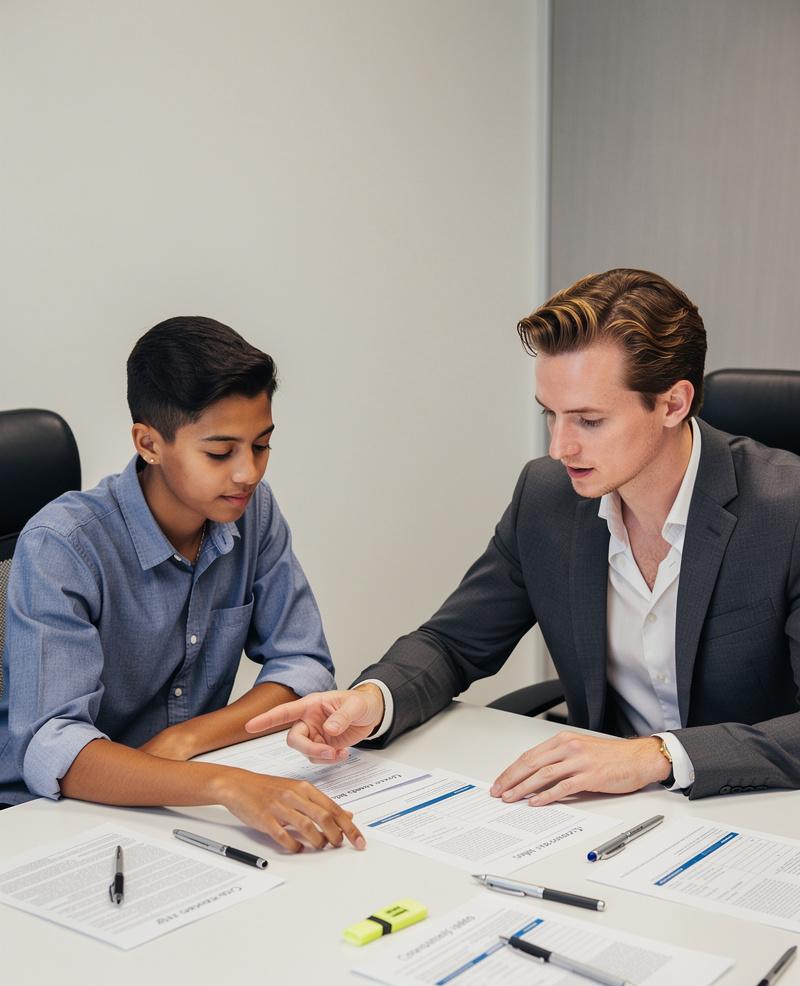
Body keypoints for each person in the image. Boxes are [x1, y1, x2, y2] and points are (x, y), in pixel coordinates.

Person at [245, 268, 800, 803]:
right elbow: (454, 643)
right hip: (604, 812)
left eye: (589, 420)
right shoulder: (548, 498)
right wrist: (371, 700)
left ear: (673, 404)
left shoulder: (786, 511)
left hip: (757, 812)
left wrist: (657, 756)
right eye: (550, 415)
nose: (560, 448)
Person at [0, 316, 365, 852]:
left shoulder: (251, 513)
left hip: (178, 800)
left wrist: (187, 739)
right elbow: (55, 747)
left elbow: (303, 665)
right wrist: (224, 783)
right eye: (220, 453)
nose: (248, 473)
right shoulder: (63, 546)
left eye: (261, 445)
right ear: (149, 443)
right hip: (49, 819)